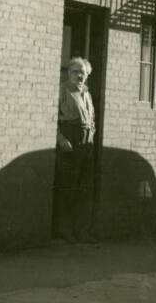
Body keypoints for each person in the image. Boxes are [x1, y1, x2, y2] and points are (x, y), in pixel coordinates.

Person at [55, 56, 96, 243]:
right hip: (69, 141)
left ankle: (81, 230)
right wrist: (61, 138)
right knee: (68, 188)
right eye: (75, 72)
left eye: (83, 72)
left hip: (86, 144)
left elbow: (91, 120)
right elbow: (51, 117)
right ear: (68, 73)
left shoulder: (86, 93)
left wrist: (91, 136)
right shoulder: (62, 90)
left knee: (83, 188)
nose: (79, 75)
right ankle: (64, 230)